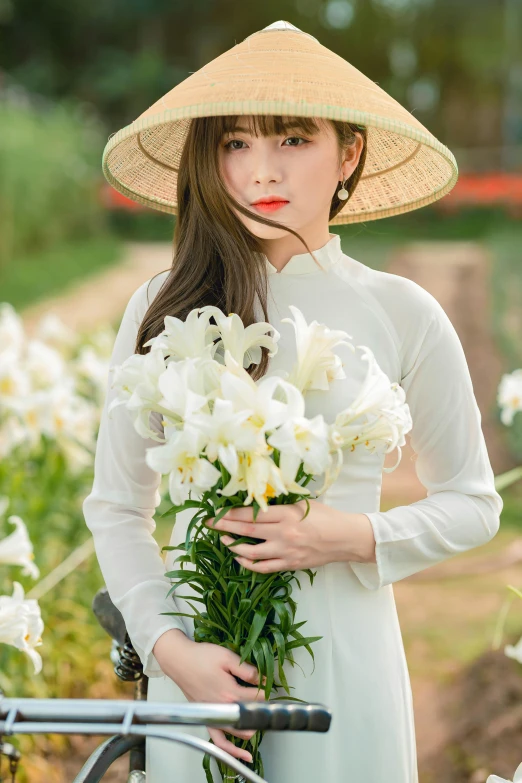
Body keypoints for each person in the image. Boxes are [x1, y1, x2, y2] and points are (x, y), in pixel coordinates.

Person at [83, 20, 503, 783]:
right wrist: (172, 654)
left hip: (344, 659)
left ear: (349, 153)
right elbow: (116, 507)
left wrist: (349, 534)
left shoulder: (402, 311)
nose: (259, 170)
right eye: (235, 143)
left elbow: (474, 502)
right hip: (201, 671)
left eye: (291, 140)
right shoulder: (165, 305)